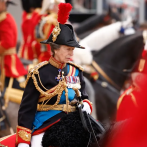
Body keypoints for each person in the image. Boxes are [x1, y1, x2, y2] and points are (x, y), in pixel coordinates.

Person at [16, 3, 96, 147]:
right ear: (55, 49)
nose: (71, 54)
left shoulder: (76, 71)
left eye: (73, 49)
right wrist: (23, 142)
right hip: (45, 127)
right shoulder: (38, 73)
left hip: (74, 125)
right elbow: (26, 110)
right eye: (68, 49)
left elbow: (84, 97)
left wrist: (86, 105)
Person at [0, 0, 27, 90]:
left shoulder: (5, 19)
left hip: (7, 60)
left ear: (3, 4)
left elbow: (7, 43)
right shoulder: (4, 17)